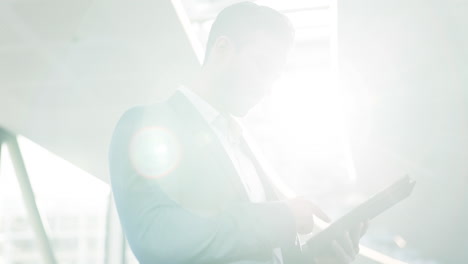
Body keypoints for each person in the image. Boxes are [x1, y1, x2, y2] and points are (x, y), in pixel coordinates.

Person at [108, 2, 367, 264]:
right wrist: (282, 217)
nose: (267, 87)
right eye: (263, 67)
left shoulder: (242, 144)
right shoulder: (148, 124)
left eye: (274, 76)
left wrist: (314, 258)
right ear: (222, 49)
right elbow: (157, 237)